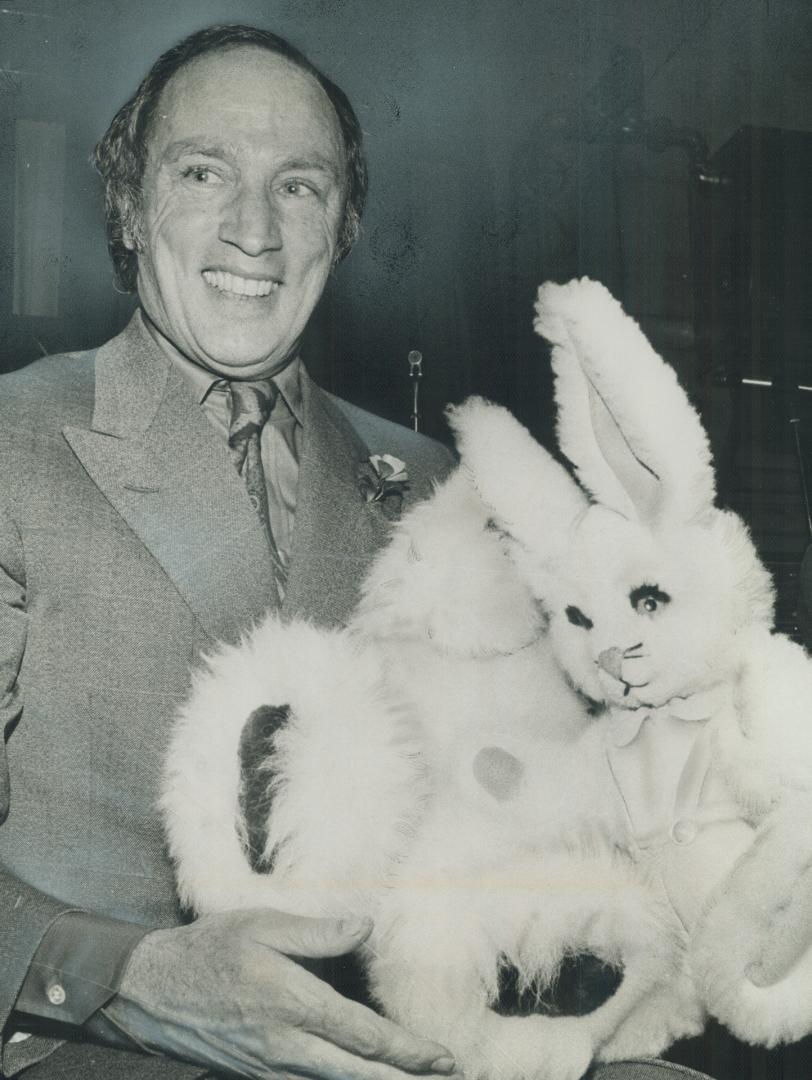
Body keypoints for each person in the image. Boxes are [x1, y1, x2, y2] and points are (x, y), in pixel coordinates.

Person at [0, 21, 716, 1080]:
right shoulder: (15, 442)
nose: (254, 230)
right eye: (203, 172)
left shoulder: (430, 479)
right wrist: (123, 977)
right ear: (127, 204)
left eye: (298, 186)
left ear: (341, 227)